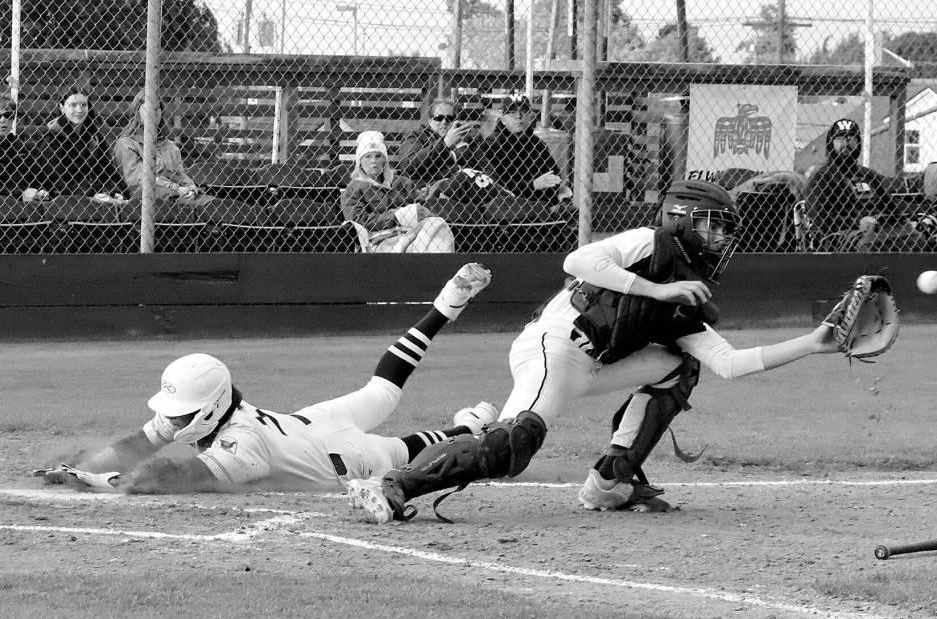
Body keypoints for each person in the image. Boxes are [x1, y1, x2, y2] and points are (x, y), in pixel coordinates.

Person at [347, 180, 842, 524]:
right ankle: (393, 485)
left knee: (679, 366)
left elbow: (729, 364)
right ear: (682, 219)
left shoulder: (689, 291)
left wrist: (814, 343)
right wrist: (657, 292)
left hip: (592, 364)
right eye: (713, 225)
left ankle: (611, 482)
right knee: (511, 447)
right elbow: (578, 259)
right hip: (556, 345)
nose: (722, 237)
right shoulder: (649, 242)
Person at [36, 263, 492, 494]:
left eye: (181, 416)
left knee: (411, 447)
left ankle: (471, 426)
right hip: (310, 421)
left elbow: (167, 477)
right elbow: (138, 445)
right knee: (382, 391)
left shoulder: (241, 443)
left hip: (343, 454)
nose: (172, 423)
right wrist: (85, 464)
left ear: (211, 407)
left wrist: (98, 481)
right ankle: (444, 311)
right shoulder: (204, 412)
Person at [340, 130, 456, 253]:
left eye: (378, 156)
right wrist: (397, 217)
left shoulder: (402, 182)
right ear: (360, 162)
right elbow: (359, 221)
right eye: (367, 156)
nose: (373, 161)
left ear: (384, 160)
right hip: (380, 241)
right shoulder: (352, 190)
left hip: (412, 234)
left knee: (438, 223)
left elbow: (422, 207)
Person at [803, 118, 895, 248]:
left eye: (851, 138)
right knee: (871, 244)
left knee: (916, 237)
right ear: (831, 143)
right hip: (840, 236)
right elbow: (818, 215)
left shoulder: (867, 174)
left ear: (858, 143)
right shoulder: (821, 176)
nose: (845, 143)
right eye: (839, 138)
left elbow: (890, 205)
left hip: (879, 230)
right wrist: (857, 223)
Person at [459, 94, 562, 206]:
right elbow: (493, 185)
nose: (518, 116)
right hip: (503, 207)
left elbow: (554, 175)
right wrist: (533, 185)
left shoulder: (537, 144)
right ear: (503, 120)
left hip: (537, 205)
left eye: (523, 110)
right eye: (512, 112)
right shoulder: (492, 144)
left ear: (530, 117)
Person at [114, 91, 204, 203]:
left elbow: (180, 175)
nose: (153, 113)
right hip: (144, 201)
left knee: (210, 203)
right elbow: (140, 180)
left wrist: (191, 188)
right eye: (148, 108)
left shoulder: (171, 147)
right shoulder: (127, 144)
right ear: (138, 112)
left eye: (156, 109)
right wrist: (176, 188)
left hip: (177, 196)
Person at [37, 87, 121, 199]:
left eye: (83, 105)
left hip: (97, 198)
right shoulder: (51, 138)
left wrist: (114, 191)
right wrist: (94, 193)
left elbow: (108, 171)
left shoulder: (94, 136)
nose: (79, 110)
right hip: (65, 202)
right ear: (61, 107)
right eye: (73, 105)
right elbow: (56, 181)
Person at [395, 98, 476, 191]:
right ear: (430, 120)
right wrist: (445, 144)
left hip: (463, 192)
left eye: (449, 118)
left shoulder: (464, 138)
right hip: (427, 193)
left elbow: (484, 166)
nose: (444, 122)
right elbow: (409, 166)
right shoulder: (416, 135)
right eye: (439, 118)